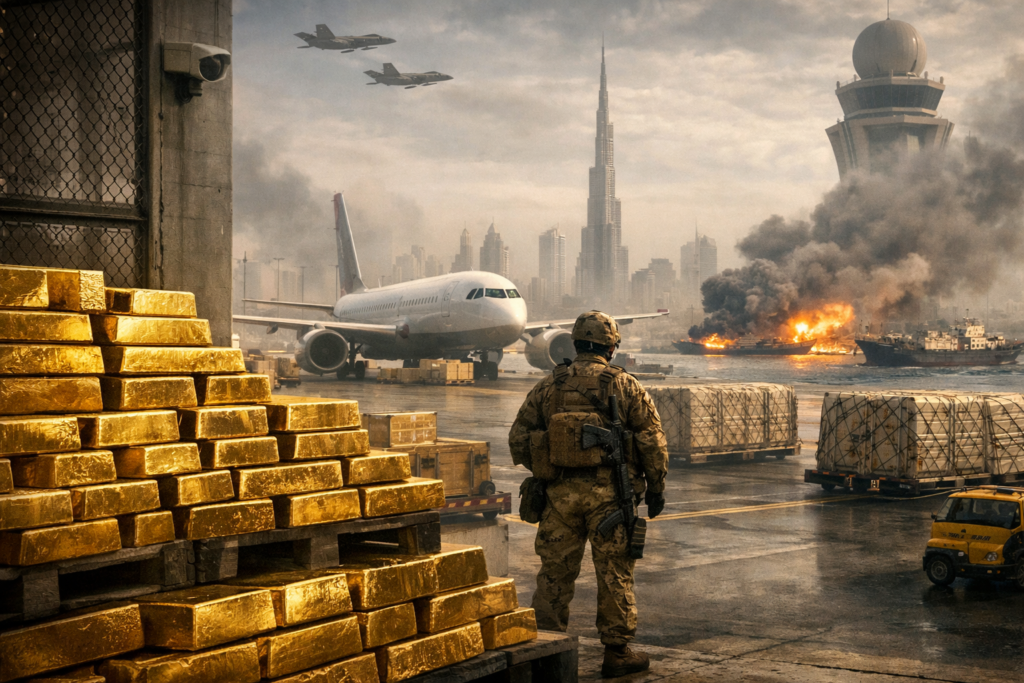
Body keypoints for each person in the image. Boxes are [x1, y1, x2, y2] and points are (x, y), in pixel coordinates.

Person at [509, 310, 669, 678]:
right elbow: (651, 441)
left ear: (576, 343)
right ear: (611, 347)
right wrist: (656, 487)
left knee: (554, 574)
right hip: (611, 498)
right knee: (614, 573)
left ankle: (546, 651)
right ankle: (617, 652)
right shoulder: (625, 385)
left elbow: (518, 438)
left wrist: (550, 467)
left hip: (558, 498)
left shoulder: (549, 386)